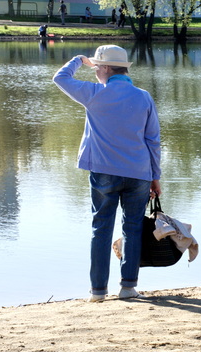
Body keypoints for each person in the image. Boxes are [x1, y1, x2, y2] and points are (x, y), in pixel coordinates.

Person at [52, 45, 162, 303]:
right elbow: (153, 140)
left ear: (106, 69)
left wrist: (78, 60)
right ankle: (128, 288)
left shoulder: (93, 94)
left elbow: (60, 78)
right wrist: (155, 177)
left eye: (97, 67)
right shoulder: (144, 97)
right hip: (139, 173)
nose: (95, 72)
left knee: (101, 228)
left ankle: (98, 292)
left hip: (104, 172)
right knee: (133, 229)